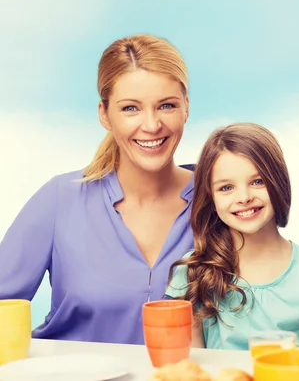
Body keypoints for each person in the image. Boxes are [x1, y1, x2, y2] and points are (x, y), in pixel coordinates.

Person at [0, 34, 195, 344]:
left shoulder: (219, 201)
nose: (151, 124)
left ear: (186, 107)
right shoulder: (60, 199)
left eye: (166, 106)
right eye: (130, 109)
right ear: (104, 114)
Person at [165, 123, 299, 350]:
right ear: (210, 199)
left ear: (278, 183)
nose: (243, 197)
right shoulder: (192, 272)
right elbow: (190, 369)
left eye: (257, 182)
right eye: (226, 188)